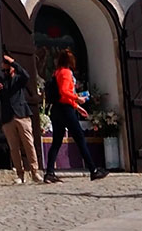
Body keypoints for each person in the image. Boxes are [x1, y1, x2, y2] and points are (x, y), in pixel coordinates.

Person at [42, 49, 106, 183]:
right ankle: (93, 170)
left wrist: (77, 107)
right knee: (80, 139)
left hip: (57, 110)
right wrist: (77, 99)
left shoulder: (57, 72)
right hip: (66, 110)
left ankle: (49, 172)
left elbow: (60, 95)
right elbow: (64, 92)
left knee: (56, 142)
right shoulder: (66, 72)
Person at [0, 55, 40, 184]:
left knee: (29, 144)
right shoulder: (1, 82)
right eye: (3, 71)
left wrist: (14, 62)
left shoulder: (19, 80)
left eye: (7, 70)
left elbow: (27, 76)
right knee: (14, 148)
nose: (5, 73)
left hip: (22, 115)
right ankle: (20, 174)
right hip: (8, 118)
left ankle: (35, 172)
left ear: (12, 69)